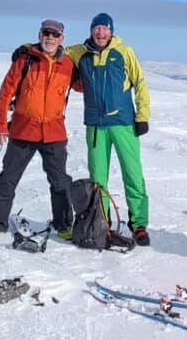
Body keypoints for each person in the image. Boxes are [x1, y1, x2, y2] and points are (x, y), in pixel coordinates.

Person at [65, 13, 152, 245]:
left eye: (105, 28)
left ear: (111, 31)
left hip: (123, 124)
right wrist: (27, 48)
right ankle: (101, 221)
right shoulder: (80, 53)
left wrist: (142, 116)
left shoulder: (124, 52)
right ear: (91, 30)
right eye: (97, 28)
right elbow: (54, 51)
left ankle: (139, 224)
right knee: (98, 179)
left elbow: (140, 83)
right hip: (95, 126)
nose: (100, 32)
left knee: (132, 174)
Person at [0, 19, 76, 235]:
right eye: (46, 33)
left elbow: (84, 85)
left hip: (54, 132)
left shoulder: (68, 64)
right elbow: (6, 92)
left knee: (60, 181)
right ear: (39, 35)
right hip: (23, 130)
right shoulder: (25, 60)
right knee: (8, 178)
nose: (50, 38)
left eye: (55, 34)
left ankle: (64, 225)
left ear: (62, 39)